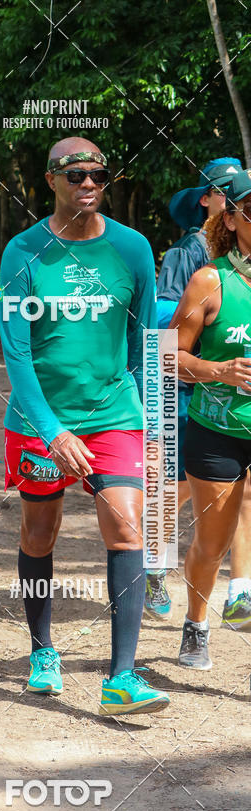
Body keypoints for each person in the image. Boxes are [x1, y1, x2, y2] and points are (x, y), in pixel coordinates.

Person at [0, 136, 169, 716]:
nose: (88, 183)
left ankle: (121, 676)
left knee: (128, 528)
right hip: (38, 420)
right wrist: (53, 431)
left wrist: (149, 417)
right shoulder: (23, 252)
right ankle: (43, 650)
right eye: (75, 175)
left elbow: (145, 342)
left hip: (114, 416)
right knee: (39, 532)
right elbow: (16, 355)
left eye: (98, 173)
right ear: (51, 180)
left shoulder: (134, 248)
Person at [146, 158, 248, 621]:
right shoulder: (190, 252)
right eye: (226, 190)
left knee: (241, 495)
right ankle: (154, 559)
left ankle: (239, 592)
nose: (234, 197)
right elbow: (164, 316)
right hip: (188, 390)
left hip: (234, 398)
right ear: (209, 201)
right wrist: (214, 319)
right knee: (176, 487)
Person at [171, 169, 251, 669]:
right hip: (217, 431)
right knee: (209, 543)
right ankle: (196, 623)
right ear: (235, 216)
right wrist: (219, 369)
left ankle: (242, 593)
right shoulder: (210, 280)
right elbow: (172, 355)